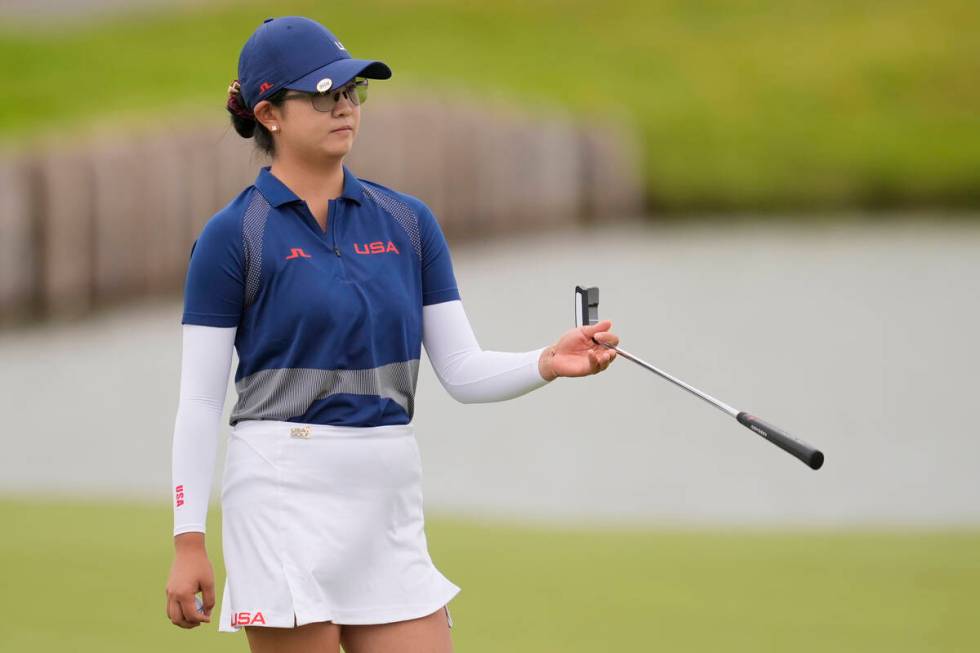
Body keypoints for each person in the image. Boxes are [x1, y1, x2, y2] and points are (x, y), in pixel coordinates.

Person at [164, 15, 619, 653]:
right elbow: (202, 401)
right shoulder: (234, 235)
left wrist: (548, 359)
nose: (345, 106)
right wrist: (189, 538)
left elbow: (460, 370)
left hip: (386, 499)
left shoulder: (408, 222)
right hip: (280, 494)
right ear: (269, 114)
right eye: (323, 95)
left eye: (352, 92)